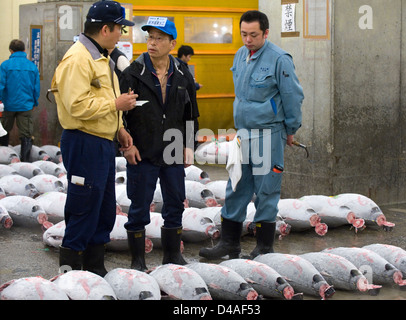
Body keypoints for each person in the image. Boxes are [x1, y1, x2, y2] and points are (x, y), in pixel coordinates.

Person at [199, 10, 304, 260]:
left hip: (269, 133)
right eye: (244, 34)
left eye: (253, 35)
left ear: (265, 33)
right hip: (243, 135)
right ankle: (229, 244)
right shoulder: (240, 55)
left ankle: (264, 248)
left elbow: (293, 97)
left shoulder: (280, 59)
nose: (248, 39)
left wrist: (291, 130)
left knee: (266, 190)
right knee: (236, 185)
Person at [51, 0, 137, 276]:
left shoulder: (102, 57)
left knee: (102, 207)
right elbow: (76, 105)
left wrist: (119, 128)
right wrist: (116, 106)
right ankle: (71, 267)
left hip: (101, 142)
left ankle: (95, 266)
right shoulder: (79, 59)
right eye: (119, 29)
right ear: (105, 29)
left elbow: (100, 99)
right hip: (83, 141)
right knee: (83, 205)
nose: (121, 34)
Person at [119, 17, 199, 270]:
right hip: (142, 151)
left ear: (172, 43)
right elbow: (118, 116)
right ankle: (138, 261)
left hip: (174, 149)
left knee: (175, 203)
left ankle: (172, 256)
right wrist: (126, 145)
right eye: (150, 37)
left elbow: (191, 114)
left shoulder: (184, 74)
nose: (152, 43)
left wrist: (188, 144)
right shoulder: (132, 73)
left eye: (159, 38)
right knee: (139, 207)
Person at [0, 39, 40, 161]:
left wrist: (1, 101)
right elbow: (36, 87)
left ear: (11, 51)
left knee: (3, 132)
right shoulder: (32, 67)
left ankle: (2, 160)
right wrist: (34, 102)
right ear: (24, 50)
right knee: (26, 135)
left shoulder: (5, 65)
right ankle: (25, 162)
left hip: (8, 105)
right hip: (26, 105)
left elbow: (1, 85)